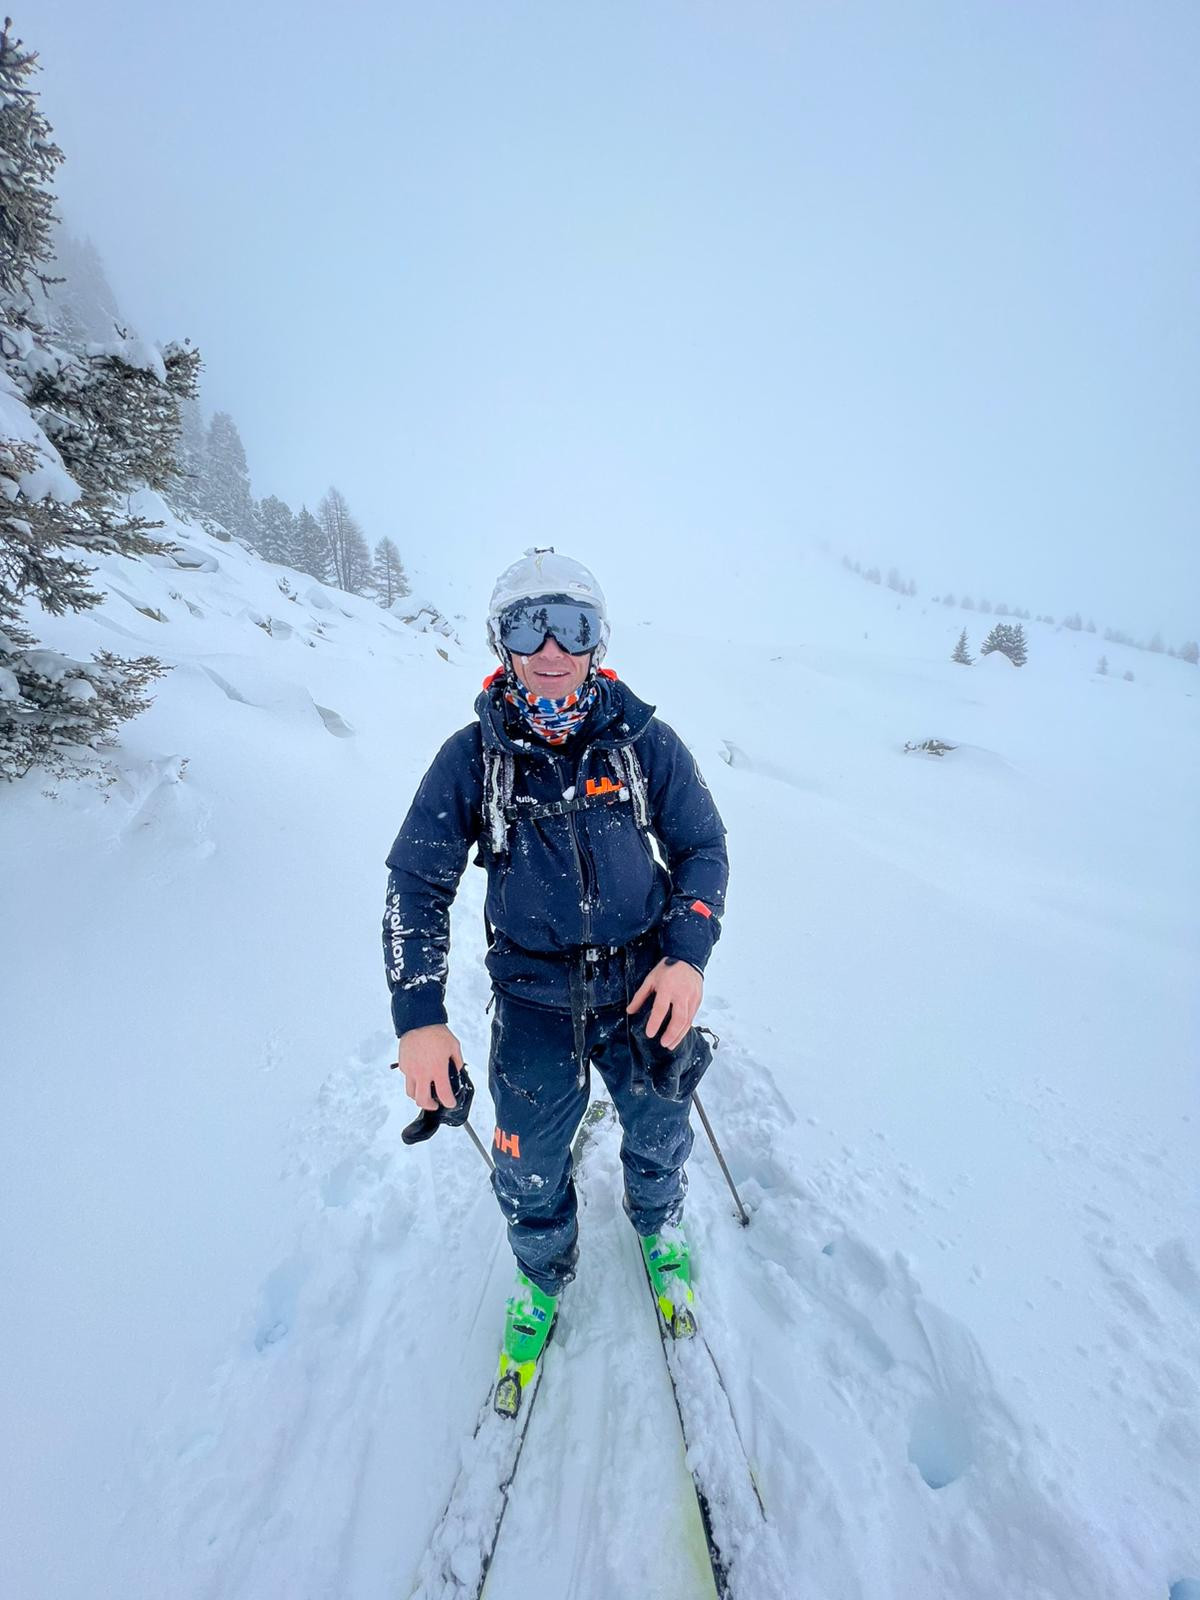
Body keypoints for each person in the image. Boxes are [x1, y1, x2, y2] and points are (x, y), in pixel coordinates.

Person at [383, 547, 728, 1417]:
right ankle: (543, 1274)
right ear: (500, 641)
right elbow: (415, 883)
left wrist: (686, 957)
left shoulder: (641, 742)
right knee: (527, 1164)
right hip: (535, 1000)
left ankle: (657, 1227)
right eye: (527, 625)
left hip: (643, 984)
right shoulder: (475, 759)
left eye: (571, 626)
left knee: (660, 1129)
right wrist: (419, 1017)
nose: (549, 648)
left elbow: (702, 848)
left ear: (596, 641)